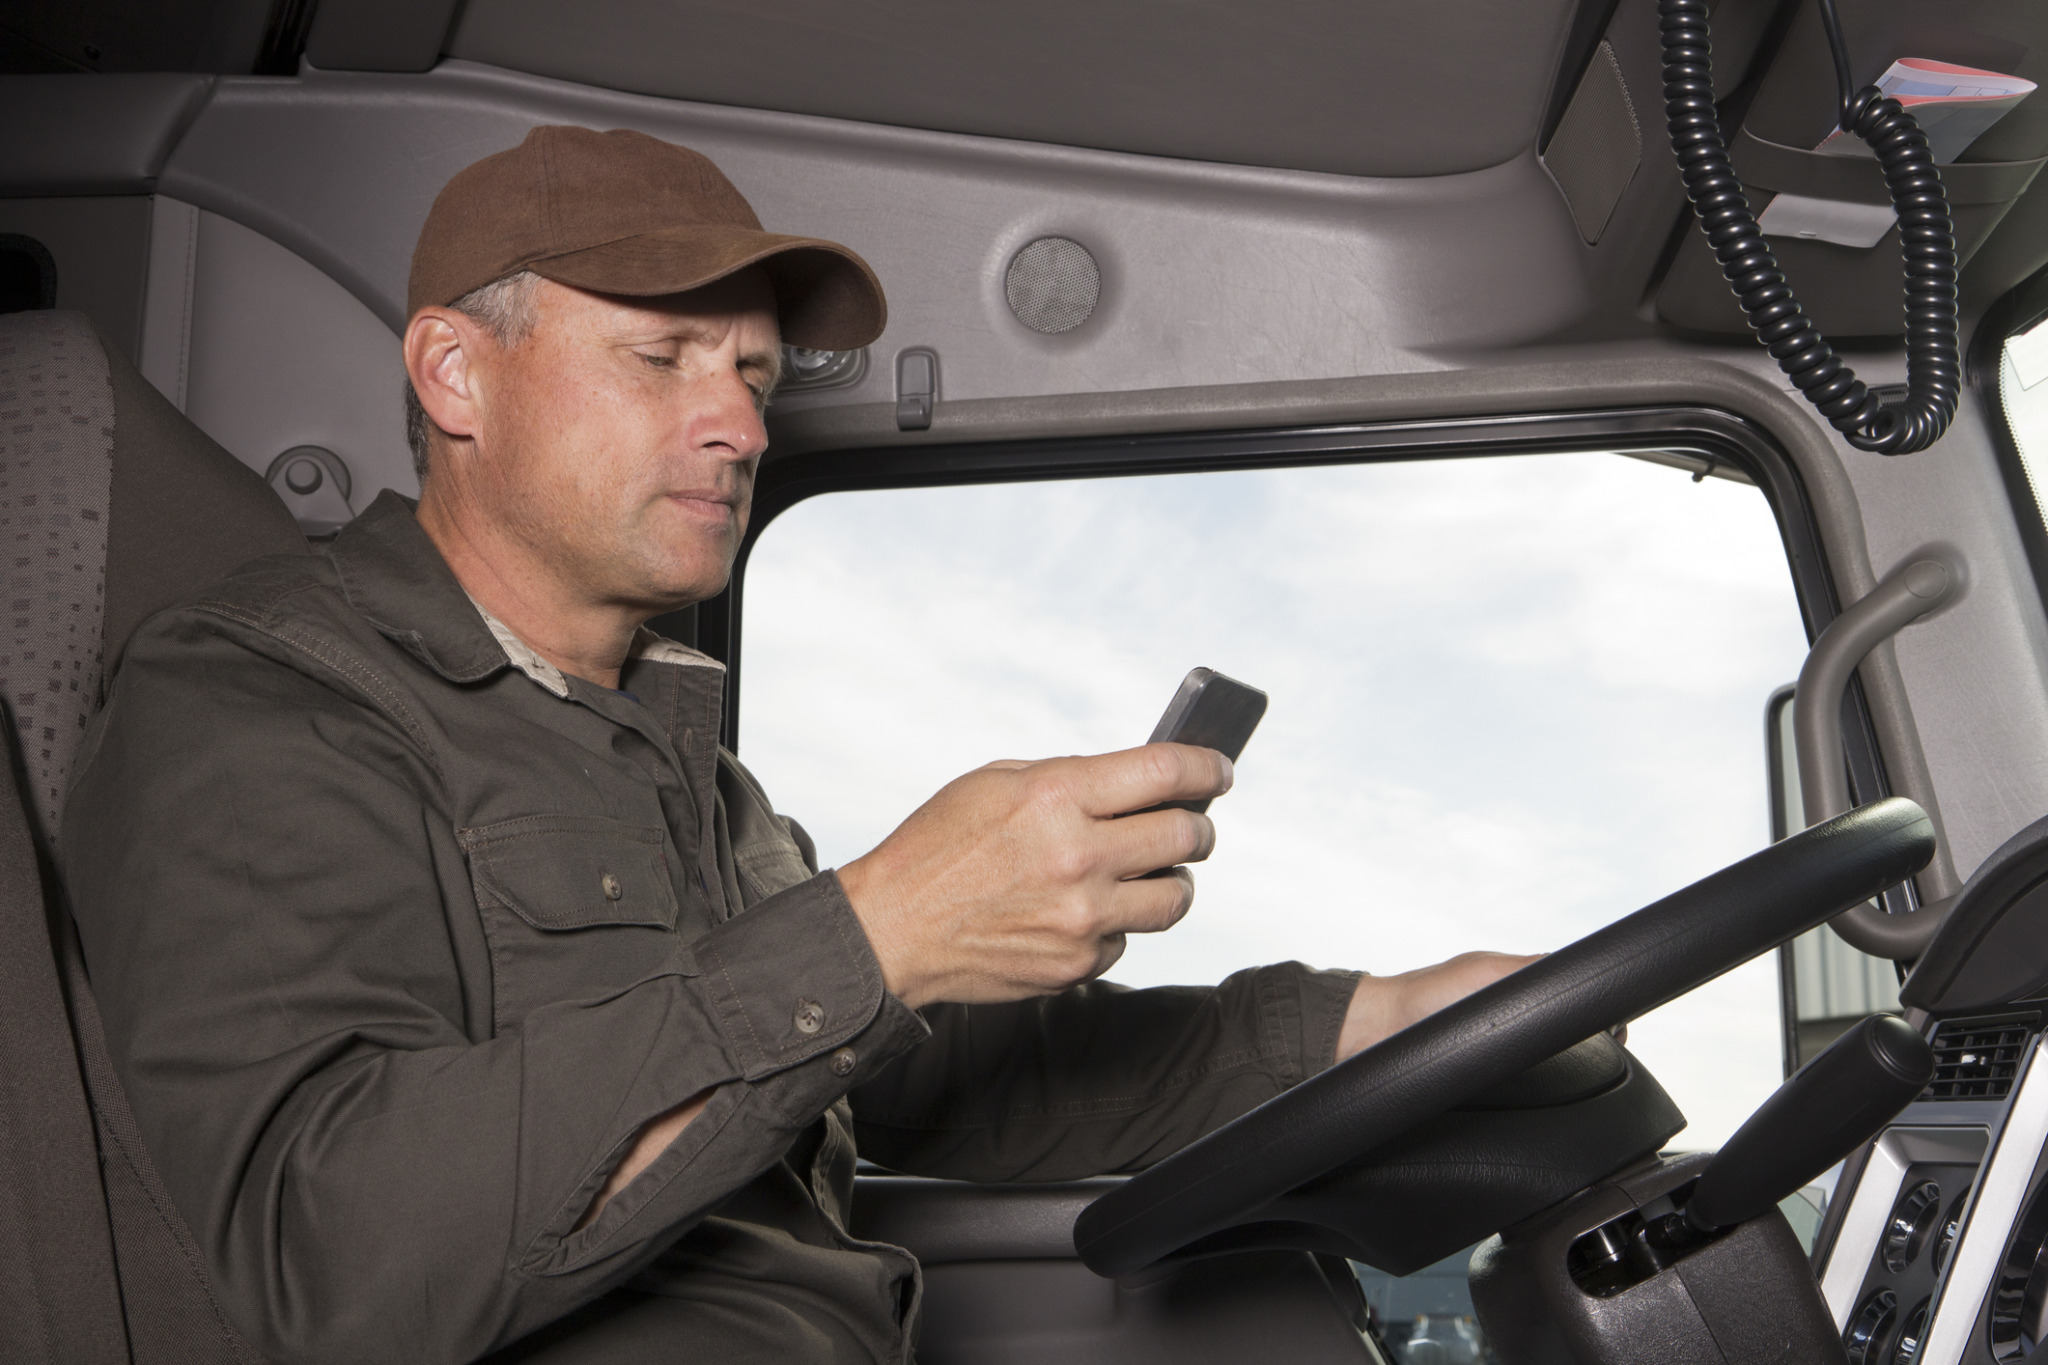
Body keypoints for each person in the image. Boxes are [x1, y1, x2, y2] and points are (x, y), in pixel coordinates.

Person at [63, 126, 1534, 1365]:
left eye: (757, 378)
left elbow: (955, 1082)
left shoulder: (684, 766)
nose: (739, 426)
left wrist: (1376, 1018)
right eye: (662, 358)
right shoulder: (266, 694)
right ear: (456, 376)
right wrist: (876, 931)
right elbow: (333, 1253)